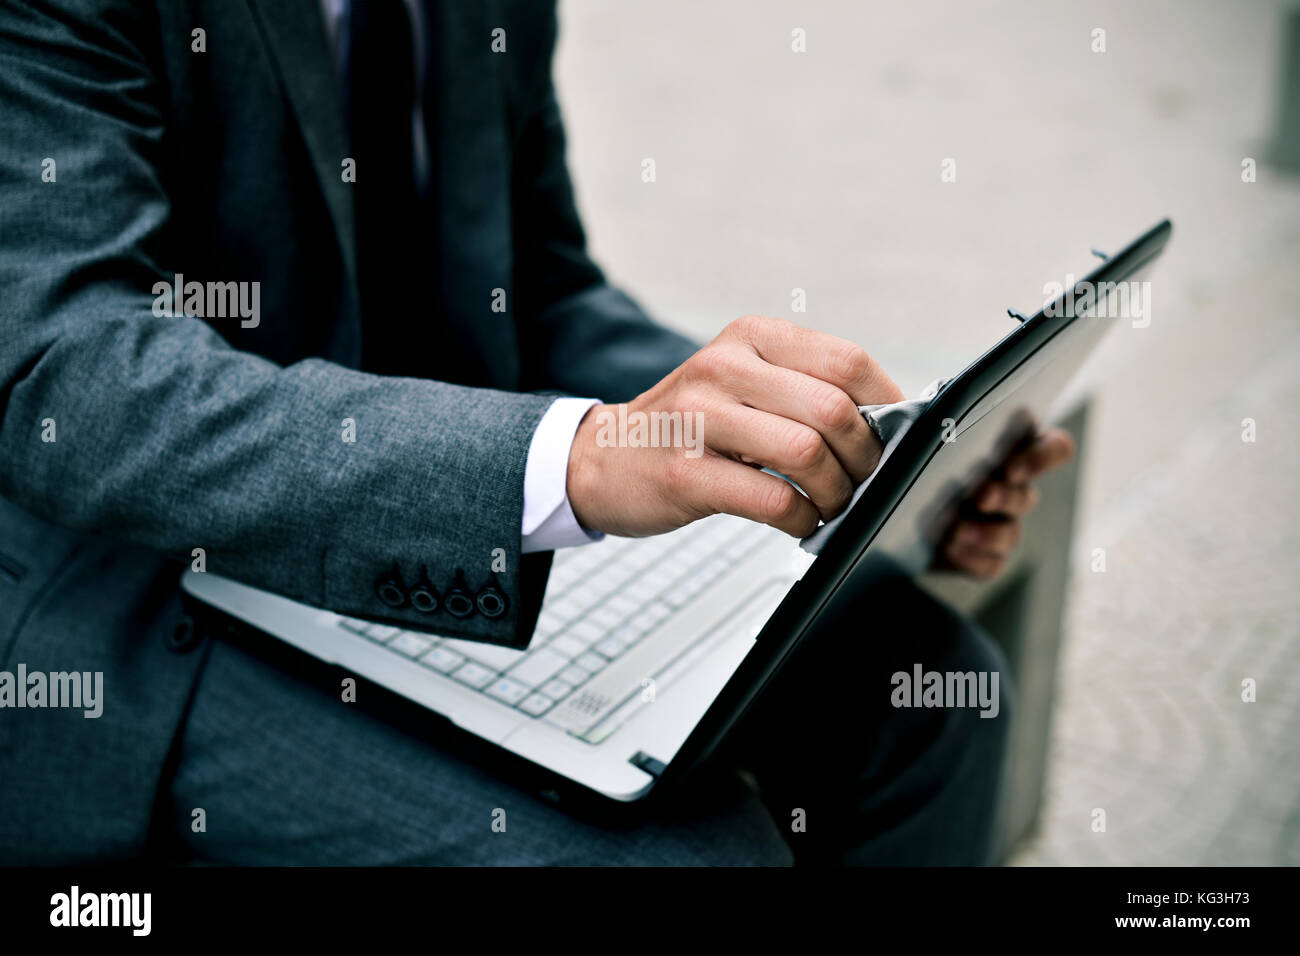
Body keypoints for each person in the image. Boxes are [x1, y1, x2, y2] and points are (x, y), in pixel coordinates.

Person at [0, 0, 1072, 864]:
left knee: (931, 694)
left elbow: (539, 289)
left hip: (421, 503)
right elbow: (69, 382)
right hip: (133, 592)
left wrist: (815, 447)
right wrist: (565, 459)